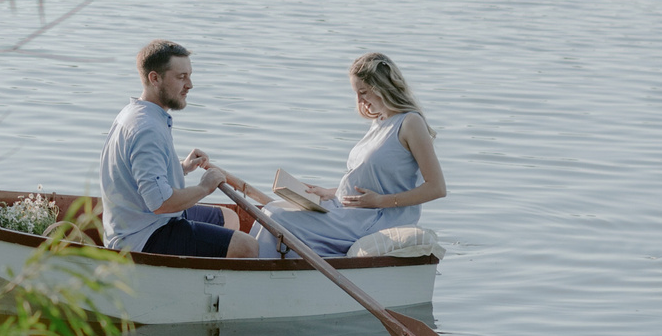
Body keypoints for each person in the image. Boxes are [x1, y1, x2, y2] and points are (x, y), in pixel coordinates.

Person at [255, 52, 448, 259]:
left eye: (363, 92)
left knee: (277, 217)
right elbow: (370, 181)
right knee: (271, 209)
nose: (359, 100)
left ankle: (256, 266)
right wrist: (330, 193)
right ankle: (257, 263)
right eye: (356, 93)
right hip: (350, 211)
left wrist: (380, 201)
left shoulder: (410, 123)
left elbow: (437, 188)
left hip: (376, 218)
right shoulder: (380, 122)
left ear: (381, 87)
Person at [99, 40, 268, 260]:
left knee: (229, 218)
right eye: (181, 77)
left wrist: (181, 168)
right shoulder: (147, 128)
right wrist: (204, 187)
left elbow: (141, 175)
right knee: (247, 247)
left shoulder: (139, 113)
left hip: (145, 220)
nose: (190, 85)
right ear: (154, 78)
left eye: (189, 76)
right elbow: (161, 203)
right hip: (142, 236)